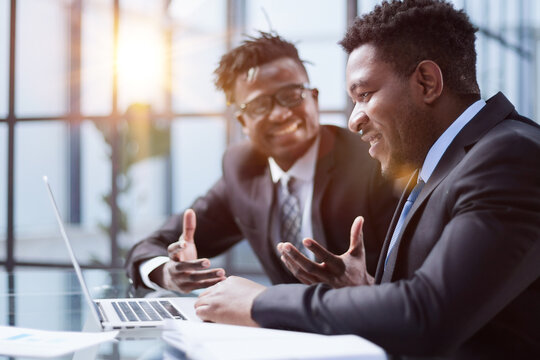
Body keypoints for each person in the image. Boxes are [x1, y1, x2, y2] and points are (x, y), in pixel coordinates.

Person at [194, 1, 540, 359]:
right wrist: (363, 287)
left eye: (364, 95)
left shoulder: (511, 157)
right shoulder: (438, 165)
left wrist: (260, 302)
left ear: (426, 82)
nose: (353, 120)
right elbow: (458, 302)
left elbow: (427, 315)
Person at [125, 32, 398, 293]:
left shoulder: (373, 162)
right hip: (283, 335)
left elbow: (422, 291)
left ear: (313, 99)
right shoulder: (242, 170)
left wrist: (365, 287)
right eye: (259, 106)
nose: (280, 114)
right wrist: (168, 273)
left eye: (291, 96)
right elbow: (152, 246)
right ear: (243, 122)